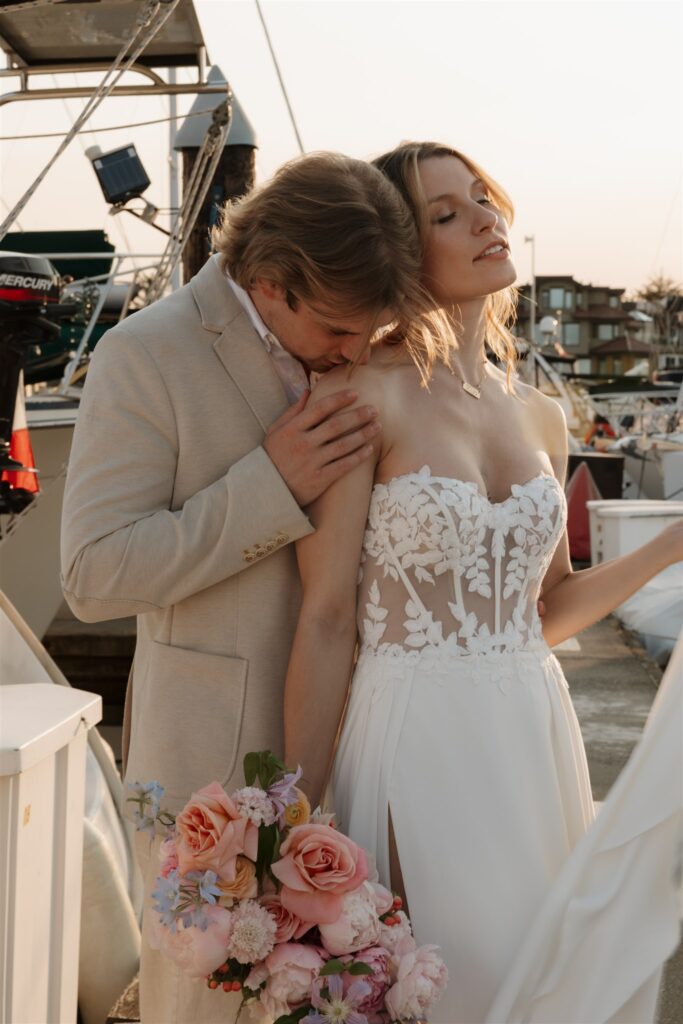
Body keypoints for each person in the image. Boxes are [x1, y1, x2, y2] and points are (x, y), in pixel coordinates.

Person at [282, 141, 683, 1023]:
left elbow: (546, 612)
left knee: (542, 982)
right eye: (445, 214)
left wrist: (669, 546)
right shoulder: (358, 395)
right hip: (417, 738)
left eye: (482, 199)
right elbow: (324, 618)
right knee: (450, 985)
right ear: (398, 247)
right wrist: (295, 820)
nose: (484, 220)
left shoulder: (539, 410)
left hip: (533, 733)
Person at [60, 151, 442, 1024]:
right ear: (272, 282)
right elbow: (91, 573)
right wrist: (266, 485)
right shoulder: (143, 355)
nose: (356, 353)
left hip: (368, 753)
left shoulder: (367, 353)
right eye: (342, 330)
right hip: (214, 766)